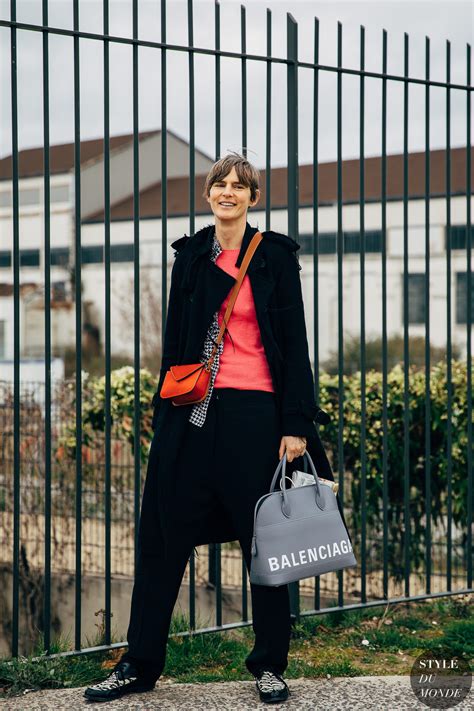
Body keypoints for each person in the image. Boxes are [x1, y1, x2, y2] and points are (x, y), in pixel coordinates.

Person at [84, 152, 340, 704]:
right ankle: (140, 663)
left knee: (266, 542)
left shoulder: (275, 256)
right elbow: (177, 343)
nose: (228, 192)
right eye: (219, 185)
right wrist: (166, 416)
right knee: (162, 536)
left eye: (239, 186)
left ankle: (270, 664)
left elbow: (294, 345)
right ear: (208, 195)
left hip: (258, 416)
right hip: (195, 414)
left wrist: (295, 423)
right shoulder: (192, 255)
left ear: (252, 196)